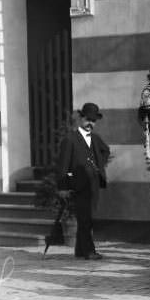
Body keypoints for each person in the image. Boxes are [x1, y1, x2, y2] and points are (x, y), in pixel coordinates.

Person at [55, 102, 110, 260]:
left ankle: (80, 250)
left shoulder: (95, 138)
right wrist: (63, 186)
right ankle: (89, 251)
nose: (90, 124)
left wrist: (98, 165)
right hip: (78, 185)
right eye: (88, 120)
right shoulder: (70, 139)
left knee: (88, 217)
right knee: (85, 218)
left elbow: (105, 150)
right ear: (81, 119)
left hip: (93, 185)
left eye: (93, 121)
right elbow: (63, 165)